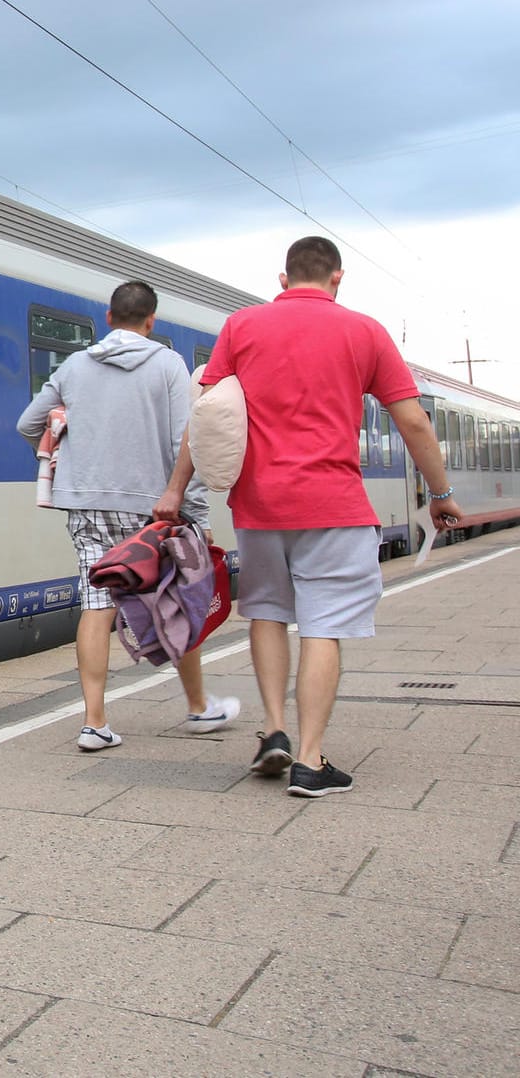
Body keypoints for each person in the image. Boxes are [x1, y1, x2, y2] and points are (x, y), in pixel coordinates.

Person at [156, 236, 461, 797]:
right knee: (323, 625)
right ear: (337, 278)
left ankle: (273, 731)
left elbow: (206, 417)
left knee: (268, 612)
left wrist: (175, 490)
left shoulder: (242, 327)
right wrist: (439, 492)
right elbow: (414, 422)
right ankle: (311, 760)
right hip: (334, 504)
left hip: (259, 504)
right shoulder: (365, 330)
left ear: (282, 279)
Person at [20, 281, 240, 753]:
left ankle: (94, 723)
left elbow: (28, 424)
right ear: (151, 320)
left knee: (96, 606)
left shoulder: (75, 366)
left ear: (108, 317)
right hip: (154, 509)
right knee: (180, 599)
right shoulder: (167, 365)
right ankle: (199, 707)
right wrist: (193, 511)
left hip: (86, 504)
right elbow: (187, 440)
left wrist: (65, 463)